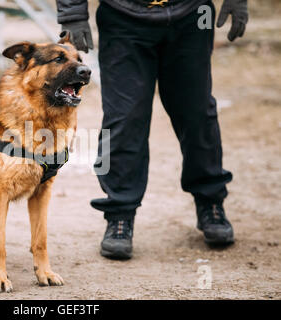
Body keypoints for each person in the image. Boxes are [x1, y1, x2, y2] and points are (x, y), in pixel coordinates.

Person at [56, 0, 248, 259]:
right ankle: (120, 215)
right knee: (125, 117)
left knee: (197, 112)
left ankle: (210, 202)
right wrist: (72, 14)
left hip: (192, 14)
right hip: (122, 17)